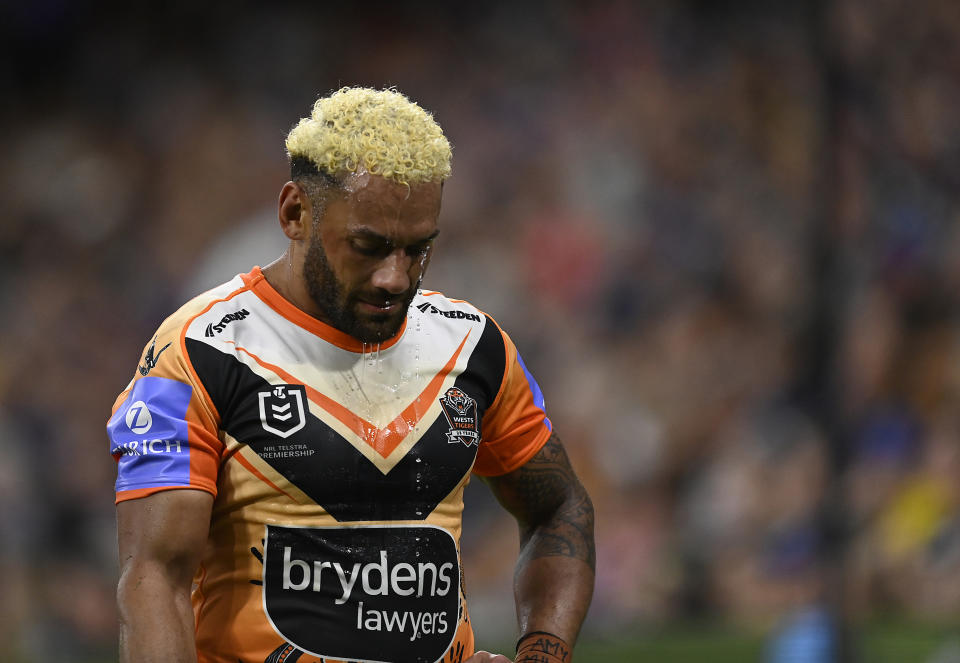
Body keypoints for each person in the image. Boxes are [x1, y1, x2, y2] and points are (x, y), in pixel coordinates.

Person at [108, 86, 594, 663]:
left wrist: (543, 653)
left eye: (418, 250)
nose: (395, 277)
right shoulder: (196, 353)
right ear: (295, 212)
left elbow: (559, 506)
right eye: (368, 246)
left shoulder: (473, 347)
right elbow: (154, 579)